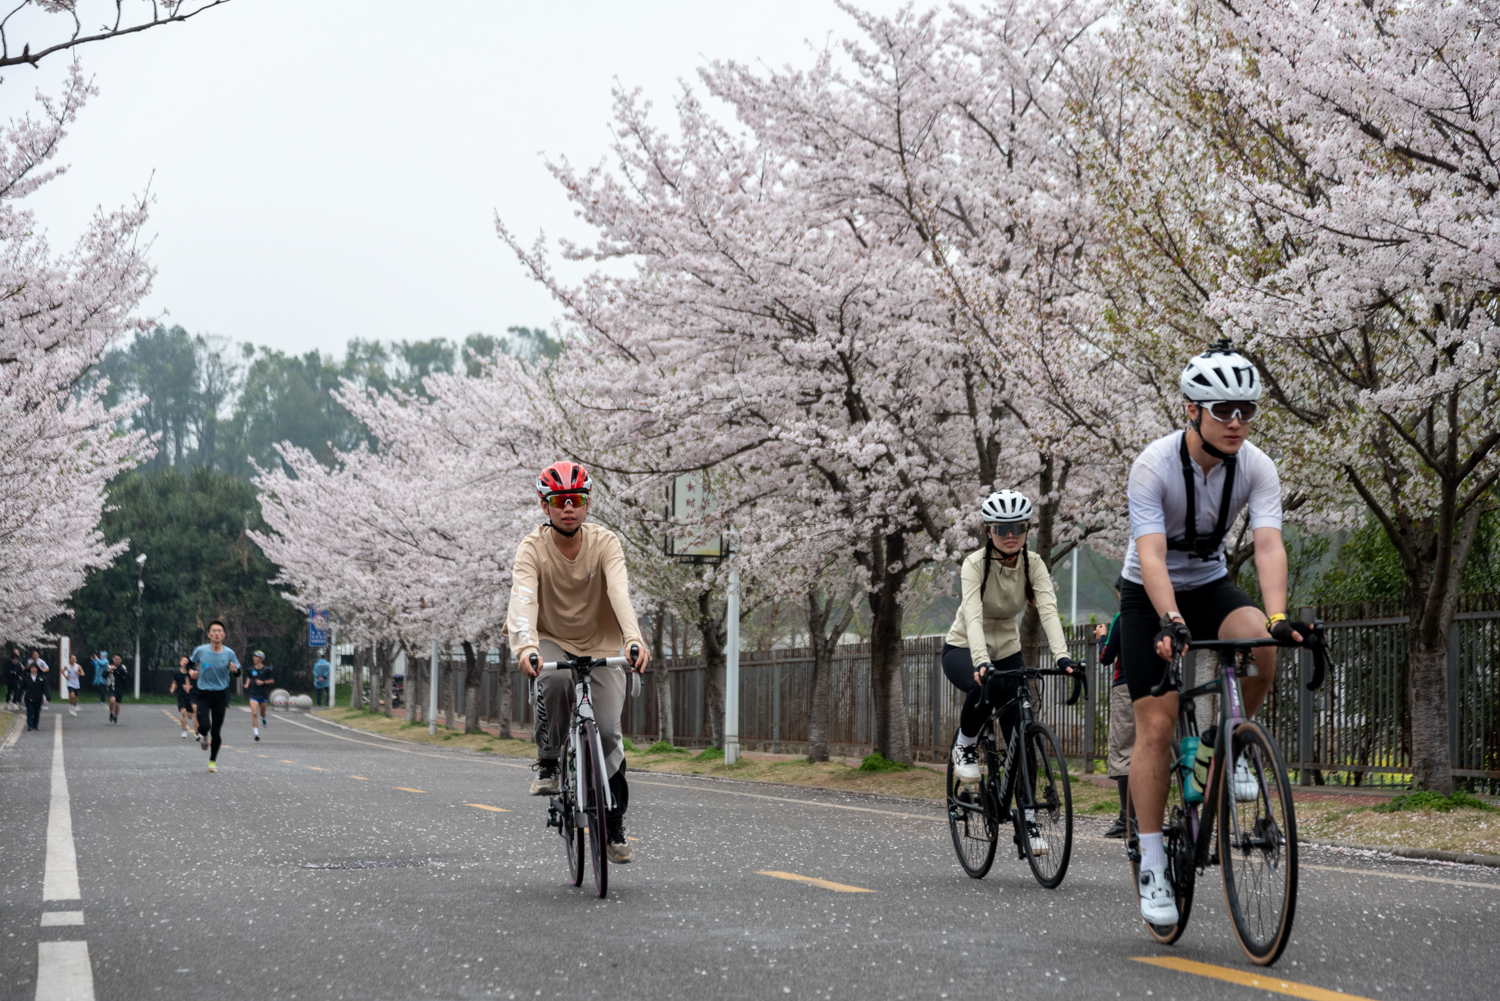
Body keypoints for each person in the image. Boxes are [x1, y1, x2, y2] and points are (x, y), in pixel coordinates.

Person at [1121, 342, 1305, 926]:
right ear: (1192, 411)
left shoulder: (1257, 465)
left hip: (1210, 582)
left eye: (1247, 411)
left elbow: (1270, 544)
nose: (1236, 423)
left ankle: (1228, 745)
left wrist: (1277, 618)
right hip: (1149, 594)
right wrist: (1170, 620)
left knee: (1263, 647)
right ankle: (1152, 860)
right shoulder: (1153, 466)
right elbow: (1151, 557)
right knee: (1156, 724)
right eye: (1223, 409)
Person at [507, 460, 650, 864]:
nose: (568, 508)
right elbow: (523, 599)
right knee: (552, 684)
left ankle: (615, 825)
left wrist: (634, 640)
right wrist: (525, 647)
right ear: (544, 505)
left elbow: (620, 593)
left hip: (602, 643)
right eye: (559, 501)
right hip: (550, 639)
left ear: (587, 504)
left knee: (606, 732)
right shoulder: (532, 548)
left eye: (576, 500)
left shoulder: (606, 543)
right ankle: (550, 760)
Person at [941, 488, 1082, 856]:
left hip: (1008, 651)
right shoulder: (975, 564)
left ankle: (1029, 820)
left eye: (1018, 526)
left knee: (1023, 732)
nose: (1010, 534)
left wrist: (1063, 657)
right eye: (1001, 527)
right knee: (980, 685)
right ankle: (966, 743)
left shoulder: (1033, 563)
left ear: (1026, 528)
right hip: (963, 648)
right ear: (989, 530)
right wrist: (980, 661)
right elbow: (972, 615)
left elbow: (1048, 610)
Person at [1095, 579, 1130, 839]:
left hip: (1127, 689)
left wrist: (1102, 637)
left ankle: (1126, 818)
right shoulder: (1161, 616)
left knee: (1124, 753)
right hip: (1159, 690)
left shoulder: (1123, 617)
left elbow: (1106, 657)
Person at [190, 621, 240, 772]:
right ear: (209, 634)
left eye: (220, 631)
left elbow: (238, 672)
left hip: (220, 694)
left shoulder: (229, 653)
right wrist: (191, 672)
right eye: (214, 631)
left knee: (216, 731)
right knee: (204, 725)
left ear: (224, 635)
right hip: (203, 693)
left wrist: (234, 670)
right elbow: (190, 664)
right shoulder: (201, 650)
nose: (217, 633)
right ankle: (204, 736)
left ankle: (212, 761)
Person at [245, 650, 274, 741]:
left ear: (261, 659)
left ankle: (263, 718)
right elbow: (249, 677)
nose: (254, 658)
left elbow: (272, 680)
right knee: (254, 713)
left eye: (256, 657)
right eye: (253, 656)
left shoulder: (267, 669)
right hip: (253, 693)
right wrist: (247, 684)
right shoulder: (250, 669)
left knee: (262, 712)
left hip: (263, 694)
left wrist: (263, 682)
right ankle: (256, 734)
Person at [19, 658, 49, 731]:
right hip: (29, 697)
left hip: (38, 698)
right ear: (30, 669)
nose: (34, 669)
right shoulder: (26, 677)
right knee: (30, 711)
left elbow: (45, 687)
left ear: (37, 669)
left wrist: (48, 696)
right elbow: (21, 688)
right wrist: (18, 697)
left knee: (36, 712)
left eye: (35, 668)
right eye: (32, 668)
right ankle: (30, 725)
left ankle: (35, 725)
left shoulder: (42, 677)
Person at [170, 656, 195, 737]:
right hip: (181, 695)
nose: (185, 662)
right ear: (180, 662)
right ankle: (184, 731)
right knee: (183, 712)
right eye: (183, 661)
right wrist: (173, 688)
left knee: (190, 716)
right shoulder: (177, 674)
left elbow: (195, 684)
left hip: (190, 696)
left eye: (186, 661)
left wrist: (189, 687)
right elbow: (175, 682)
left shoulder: (191, 674)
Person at [105, 654, 129, 724]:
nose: (117, 660)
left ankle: (115, 717)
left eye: (119, 659)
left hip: (120, 688)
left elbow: (124, 673)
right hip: (111, 686)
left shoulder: (122, 667)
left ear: (121, 660)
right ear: (113, 659)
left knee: (117, 704)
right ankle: (111, 713)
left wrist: (116, 669)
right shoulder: (109, 666)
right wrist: (110, 669)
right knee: (112, 700)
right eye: (116, 659)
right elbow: (104, 674)